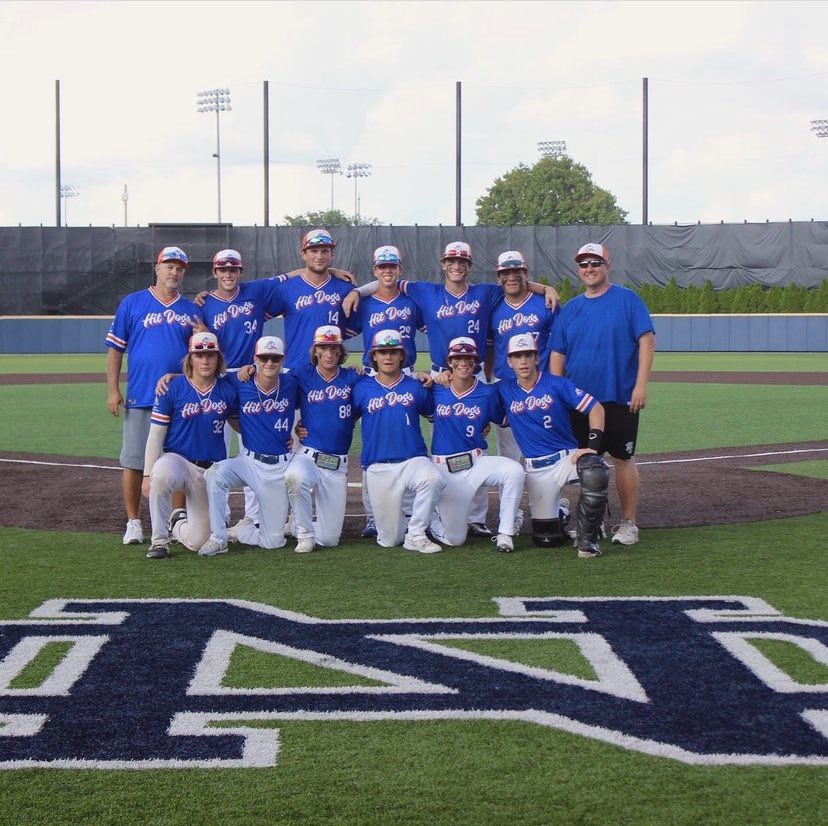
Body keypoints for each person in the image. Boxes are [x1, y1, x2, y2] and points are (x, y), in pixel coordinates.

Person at [345, 240, 559, 538]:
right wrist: (357, 290)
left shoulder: (485, 292)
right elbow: (386, 280)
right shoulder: (426, 291)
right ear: (443, 264)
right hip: (439, 376)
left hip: (476, 374)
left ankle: (476, 516)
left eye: (462, 261)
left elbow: (515, 284)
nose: (456, 266)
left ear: (469, 266)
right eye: (451, 261)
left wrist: (544, 288)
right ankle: (437, 510)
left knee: (477, 443)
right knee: (441, 443)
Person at [549, 243, 655, 546]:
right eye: (583, 264)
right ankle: (591, 523)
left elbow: (646, 341)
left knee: (622, 457)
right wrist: (558, 393)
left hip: (619, 395)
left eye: (595, 263)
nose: (589, 269)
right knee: (584, 461)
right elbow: (558, 353)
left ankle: (628, 522)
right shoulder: (571, 308)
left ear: (607, 266)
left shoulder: (627, 300)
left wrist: (641, 384)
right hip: (580, 401)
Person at [106, 246, 201, 547]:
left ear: (184, 273)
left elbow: (202, 356)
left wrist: (202, 330)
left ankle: (176, 520)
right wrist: (112, 389)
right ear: (157, 268)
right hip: (141, 396)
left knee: (178, 463)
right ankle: (134, 522)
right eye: (168, 266)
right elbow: (115, 349)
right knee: (134, 462)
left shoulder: (190, 310)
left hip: (179, 400)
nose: (174, 272)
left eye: (179, 268)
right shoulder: (133, 303)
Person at [496, 333, 608, 559]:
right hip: (537, 470)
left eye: (528, 355)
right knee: (547, 539)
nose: (524, 361)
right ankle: (562, 513)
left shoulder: (557, 384)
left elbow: (596, 408)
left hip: (567, 459)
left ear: (537, 358)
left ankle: (588, 539)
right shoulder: (503, 389)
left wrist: (592, 447)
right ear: (509, 361)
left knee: (596, 470)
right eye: (517, 356)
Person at [344, 244, 425, 538]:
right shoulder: (364, 304)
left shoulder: (412, 300)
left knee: (407, 436)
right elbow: (340, 330)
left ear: (399, 270)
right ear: (375, 270)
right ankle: (371, 514)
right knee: (373, 440)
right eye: (382, 267)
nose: (387, 271)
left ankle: (408, 507)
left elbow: (435, 326)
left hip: (406, 373)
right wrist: (357, 292)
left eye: (392, 266)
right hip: (372, 375)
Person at [141, 332, 238, 559]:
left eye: (210, 355)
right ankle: (159, 541)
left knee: (199, 542)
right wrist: (147, 475)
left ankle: (178, 523)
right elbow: (156, 435)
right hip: (178, 461)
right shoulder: (172, 388)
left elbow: (241, 426)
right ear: (190, 358)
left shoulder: (226, 390)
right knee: (161, 474)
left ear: (218, 359)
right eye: (199, 355)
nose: (205, 360)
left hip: (207, 471)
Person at [200, 335, 298, 556]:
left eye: (274, 358)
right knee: (215, 474)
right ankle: (219, 537)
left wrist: (302, 428)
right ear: (255, 358)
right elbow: (204, 378)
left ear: (282, 359)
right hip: (250, 461)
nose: (269, 363)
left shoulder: (291, 383)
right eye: (264, 358)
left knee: (272, 542)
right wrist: (173, 377)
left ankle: (245, 531)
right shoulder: (239, 381)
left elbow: (317, 399)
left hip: (279, 467)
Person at [352, 329, 445, 554]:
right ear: (373, 356)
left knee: (432, 479)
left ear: (401, 355)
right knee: (389, 539)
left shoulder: (416, 386)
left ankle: (416, 534)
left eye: (393, 352)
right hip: (378, 466)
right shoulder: (361, 388)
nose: (388, 357)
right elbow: (343, 420)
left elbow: (439, 417)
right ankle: (400, 529)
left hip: (412, 460)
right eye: (382, 352)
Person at [428, 337, 525, 553]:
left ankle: (505, 533)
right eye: (458, 358)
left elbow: (506, 420)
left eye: (468, 358)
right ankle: (432, 518)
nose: (463, 362)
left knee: (514, 471)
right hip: (445, 469)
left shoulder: (487, 393)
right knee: (455, 540)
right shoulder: (436, 389)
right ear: (450, 362)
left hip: (476, 462)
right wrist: (421, 375)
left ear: (476, 363)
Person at [285, 326, 362, 553]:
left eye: (333, 348)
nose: (328, 353)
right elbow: (272, 387)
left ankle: (297, 525)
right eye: (323, 348)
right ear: (315, 351)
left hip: (337, 463)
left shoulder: (352, 377)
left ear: (340, 352)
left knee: (329, 540)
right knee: (294, 476)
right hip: (308, 455)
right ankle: (305, 534)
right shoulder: (301, 375)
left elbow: (367, 398)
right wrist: (251, 370)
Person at [486, 250, 559, 463]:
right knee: (508, 449)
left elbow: (559, 348)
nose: (511, 277)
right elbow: (491, 346)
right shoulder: (493, 306)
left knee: (545, 444)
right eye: (505, 273)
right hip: (505, 383)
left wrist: (555, 382)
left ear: (525, 273)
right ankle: (510, 497)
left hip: (541, 383)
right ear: (498, 277)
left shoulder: (546, 302)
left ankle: (549, 497)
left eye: (516, 272)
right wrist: (488, 376)